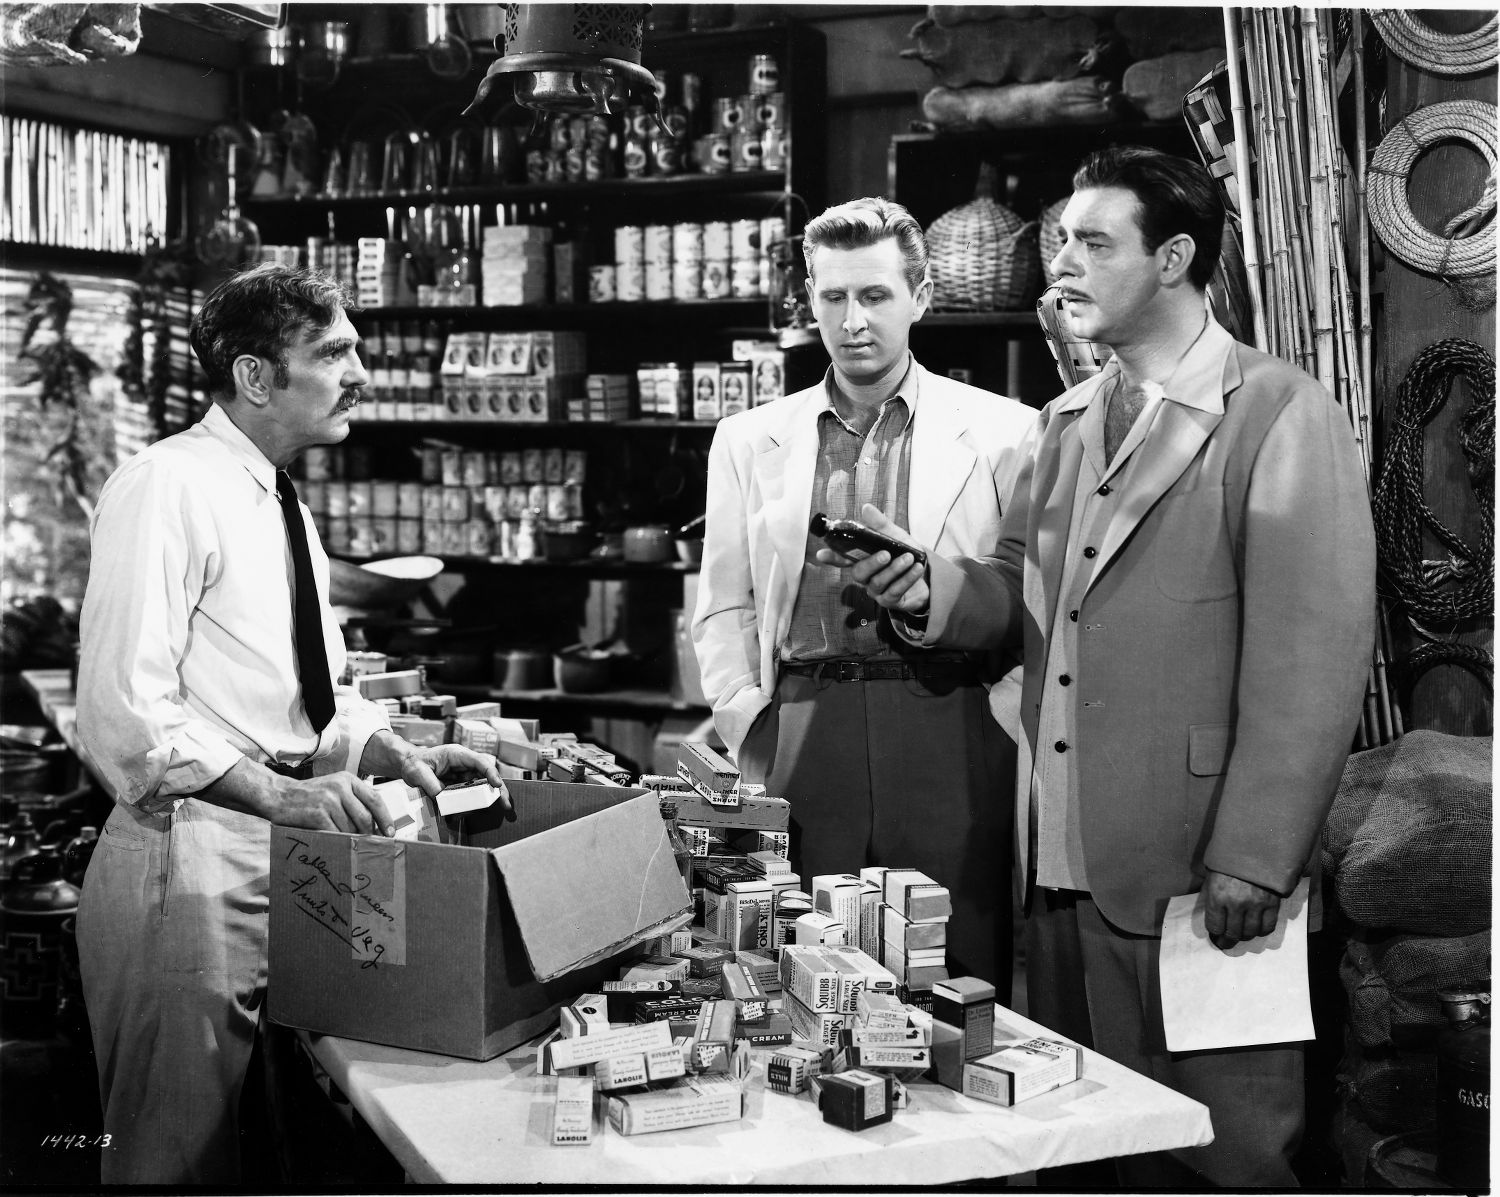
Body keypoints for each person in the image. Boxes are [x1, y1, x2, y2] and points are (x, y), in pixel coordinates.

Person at [835, 148, 1376, 1185]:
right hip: (1059, 859)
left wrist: (1256, 853)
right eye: (1060, 243)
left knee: (1222, 1154)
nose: (1063, 266)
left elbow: (1313, 655)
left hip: (1200, 865)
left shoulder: (1279, 411)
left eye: (1093, 243)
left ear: (1172, 258)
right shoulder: (1066, 421)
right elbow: (1017, 591)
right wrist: (925, 587)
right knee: (1079, 1147)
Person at [74, 264, 511, 1185]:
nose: (361, 373)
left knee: (274, 1136)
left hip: (277, 842)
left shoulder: (279, 499)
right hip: (186, 854)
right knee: (171, 1153)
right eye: (334, 353)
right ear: (256, 375)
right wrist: (282, 794)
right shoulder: (165, 485)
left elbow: (305, 690)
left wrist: (392, 747)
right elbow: (125, 712)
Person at [692, 197, 1036, 989]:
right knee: (807, 969)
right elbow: (722, 601)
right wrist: (752, 724)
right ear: (810, 300)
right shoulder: (748, 437)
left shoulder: (1006, 431)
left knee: (950, 974)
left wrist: (995, 727)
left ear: (921, 297)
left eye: (876, 295)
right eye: (834, 296)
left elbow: (1024, 598)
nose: (853, 321)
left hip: (950, 719)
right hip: (805, 725)